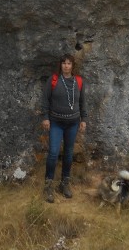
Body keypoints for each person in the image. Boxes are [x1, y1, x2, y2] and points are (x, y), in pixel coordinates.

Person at [42, 53, 87, 202]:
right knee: (54, 153)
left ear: (72, 66)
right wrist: (45, 117)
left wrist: (83, 119)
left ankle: (64, 183)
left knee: (68, 154)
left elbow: (82, 102)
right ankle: (48, 186)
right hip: (56, 123)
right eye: (64, 63)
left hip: (73, 123)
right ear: (60, 65)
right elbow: (45, 100)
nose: (66, 66)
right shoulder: (53, 80)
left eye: (69, 63)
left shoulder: (79, 81)